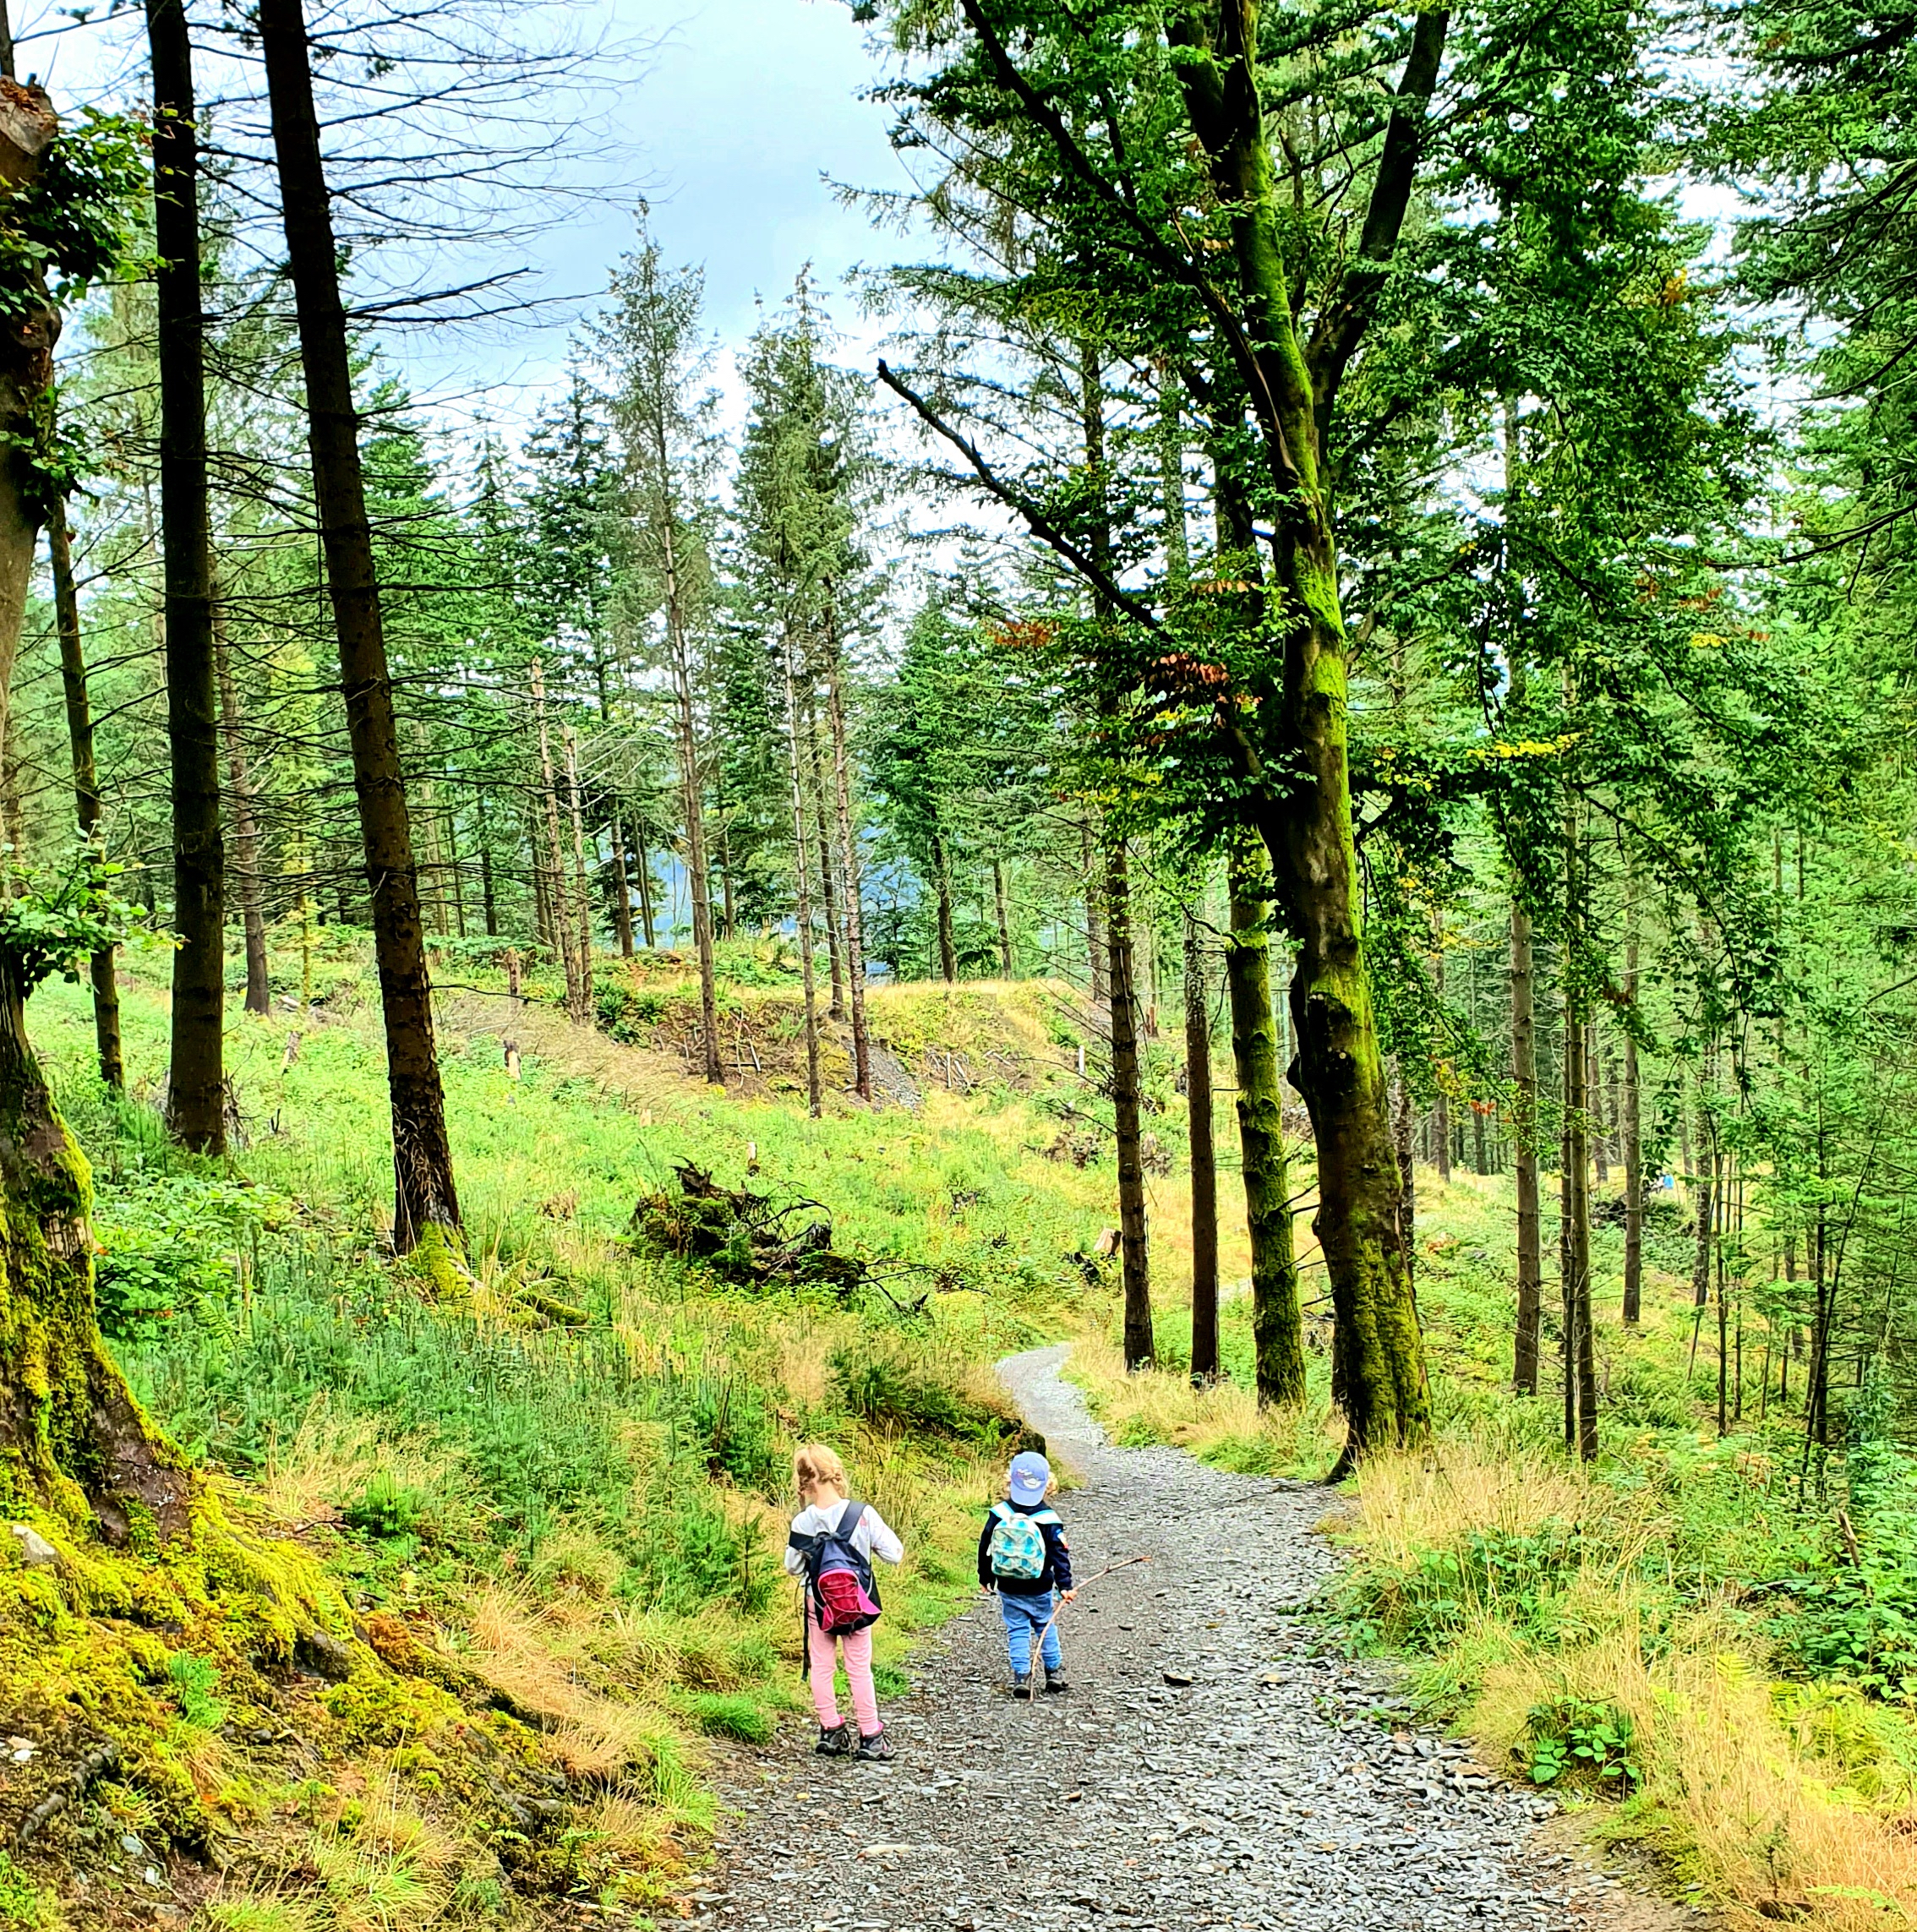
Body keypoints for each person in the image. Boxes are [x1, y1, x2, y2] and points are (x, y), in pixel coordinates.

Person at [784, 1444, 904, 1762]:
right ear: (835, 1472)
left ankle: (831, 1731)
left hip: (819, 1604)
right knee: (859, 1668)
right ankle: (871, 1737)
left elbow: (792, 1566)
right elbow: (895, 1553)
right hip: (856, 1605)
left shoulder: (803, 1522)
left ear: (804, 1481)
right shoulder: (861, 1514)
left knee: (822, 1666)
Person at [978, 1449, 1074, 1697]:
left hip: (1009, 1585)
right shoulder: (1049, 1519)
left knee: (1017, 1629)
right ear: (1047, 1485)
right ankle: (1054, 1673)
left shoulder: (999, 1513)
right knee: (1046, 1626)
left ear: (1010, 1481)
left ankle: (1022, 1676)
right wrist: (1064, 1585)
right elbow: (1059, 1554)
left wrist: (985, 1577)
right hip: (1040, 1586)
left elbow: (985, 1547)